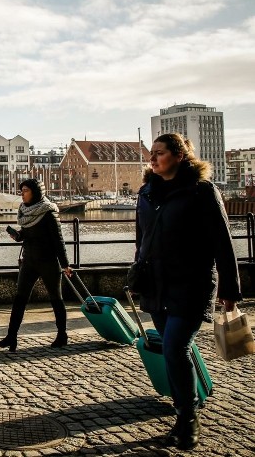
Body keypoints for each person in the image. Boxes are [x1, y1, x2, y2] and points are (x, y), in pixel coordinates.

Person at [134, 133, 242, 450]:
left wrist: (229, 288)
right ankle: (188, 408)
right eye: (151, 154)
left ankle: (187, 417)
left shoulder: (202, 192)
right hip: (155, 284)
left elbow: (222, 243)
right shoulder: (146, 194)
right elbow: (141, 241)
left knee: (174, 348)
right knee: (174, 349)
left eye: (160, 153)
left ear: (180, 156)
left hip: (190, 285)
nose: (153, 159)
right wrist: (138, 270)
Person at [0, 178, 73, 352]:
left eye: (26, 190)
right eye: (21, 191)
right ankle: (11, 337)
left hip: (48, 261)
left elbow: (58, 240)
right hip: (29, 261)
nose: (22, 194)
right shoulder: (25, 211)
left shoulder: (49, 212)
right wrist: (18, 236)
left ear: (36, 192)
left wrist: (65, 264)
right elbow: (27, 234)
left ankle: (62, 334)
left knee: (56, 298)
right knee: (19, 298)